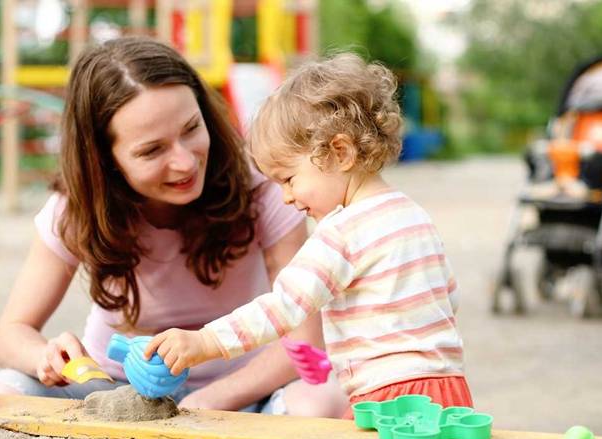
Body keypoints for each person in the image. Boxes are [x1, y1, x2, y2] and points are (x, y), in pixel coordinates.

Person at [0, 36, 348, 417]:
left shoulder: (264, 187)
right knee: (2, 389)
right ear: (105, 161)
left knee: (323, 398)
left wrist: (206, 402)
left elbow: (304, 343)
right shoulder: (75, 210)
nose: (186, 163)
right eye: (152, 150)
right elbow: (11, 333)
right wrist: (45, 355)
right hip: (111, 389)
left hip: (241, 389)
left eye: (191, 128)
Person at [144, 53, 474, 418]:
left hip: (386, 396)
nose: (286, 196)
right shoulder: (413, 215)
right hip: (448, 388)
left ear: (340, 152)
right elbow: (447, 296)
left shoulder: (340, 232)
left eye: (289, 178)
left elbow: (282, 308)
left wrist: (205, 341)